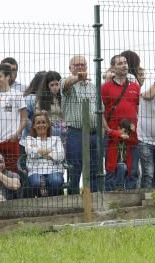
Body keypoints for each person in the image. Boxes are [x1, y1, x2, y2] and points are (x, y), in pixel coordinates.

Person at [61, 55, 100, 194]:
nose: (80, 67)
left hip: (94, 133)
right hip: (76, 132)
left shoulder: (93, 87)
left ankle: (94, 197)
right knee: (74, 168)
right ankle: (74, 199)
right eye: (76, 65)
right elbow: (66, 85)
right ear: (70, 68)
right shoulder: (67, 84)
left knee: (95, 167)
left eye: (83, 64)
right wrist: (77, 77)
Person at [101, 55, 140, 190]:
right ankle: (110, 199)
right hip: (114, 135)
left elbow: (138, 109)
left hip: (132, 134)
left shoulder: (136, 87)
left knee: (133, 169)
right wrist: (108, 130)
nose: (124, 65)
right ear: (112, 67)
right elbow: (101, 113)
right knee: (111, 168)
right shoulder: (105, 88)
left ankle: (131, 196)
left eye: (125, 62)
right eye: (119, 64)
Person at [0, 63, 27, 173]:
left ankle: (14, 190)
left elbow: (24, 118)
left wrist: (17, 133)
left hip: (11, 140)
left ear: (8, 77)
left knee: (12, 171)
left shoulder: (17, 95)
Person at [24, 111, 65, 196]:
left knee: (56, 181)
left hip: (54, 170)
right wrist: (50, 150)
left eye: (43, 122)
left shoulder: (56, 139)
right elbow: (31, 154)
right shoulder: (29, 139)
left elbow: (60, 156)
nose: (41, 125)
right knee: (36, 183)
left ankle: (53, 203)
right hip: (35, 170)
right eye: (38, 123)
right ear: (34, 126)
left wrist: (38, 152)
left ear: (48, 125)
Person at [105, 118, 135, 190]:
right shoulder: (114, 137)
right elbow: (109, 132)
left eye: (127, 132)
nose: (125, 134)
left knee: (123, 168)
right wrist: (119, 134)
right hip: (111, 165)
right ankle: (109, 193)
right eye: (124, 131)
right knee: (109, 181)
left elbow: (135, 141)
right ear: (119, 128)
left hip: (123, 166)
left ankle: (119, 188)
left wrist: (133, 131)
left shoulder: (128, 139)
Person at [35, 71, 66, 141]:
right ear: (47, 86)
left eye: (57, 84)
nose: (55, 87)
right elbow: (36, 115)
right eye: (52, 85)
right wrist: (42, 113)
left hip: (62, 131)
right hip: (48, 131)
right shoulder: (42, 99)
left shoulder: (64, 97)